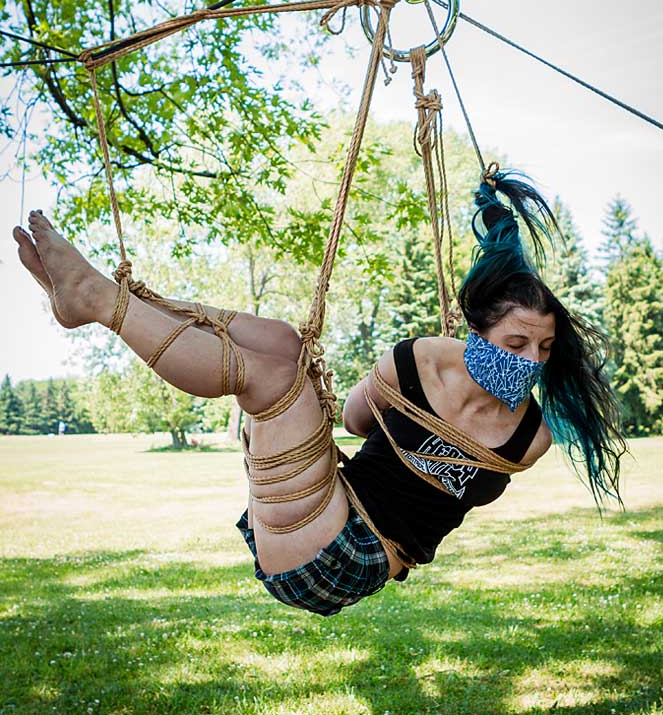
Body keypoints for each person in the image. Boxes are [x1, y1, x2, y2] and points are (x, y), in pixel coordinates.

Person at [13, 171, 626, 617]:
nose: (531, 362)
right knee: (283, 342)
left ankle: (96, 300)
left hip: (348, 557)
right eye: (516, 342)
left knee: (278, 380)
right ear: (476, 331)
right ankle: (115, 297)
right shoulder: (416, 360)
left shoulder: (529, 436)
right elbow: (352, 423)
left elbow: (360, 423)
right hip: (315, 507)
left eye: (544, 349)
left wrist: (403, 419)